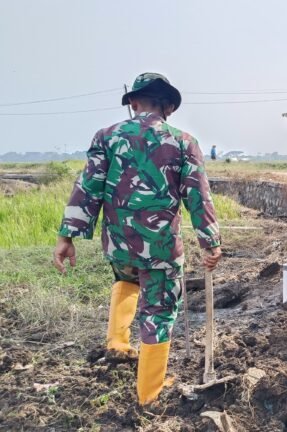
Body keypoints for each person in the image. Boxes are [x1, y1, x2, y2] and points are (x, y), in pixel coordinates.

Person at [53, 73, 222, 406]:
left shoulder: (107, 137)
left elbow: (88, 187)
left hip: (118, 246)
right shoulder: (183, 142)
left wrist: (67, 235)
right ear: (168, 108)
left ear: (134, 103)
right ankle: (149, 394)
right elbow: (198, 198)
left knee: (125, 279)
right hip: (161, 250)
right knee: (158, 313)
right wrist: (210, 242)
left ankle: (117, 343)